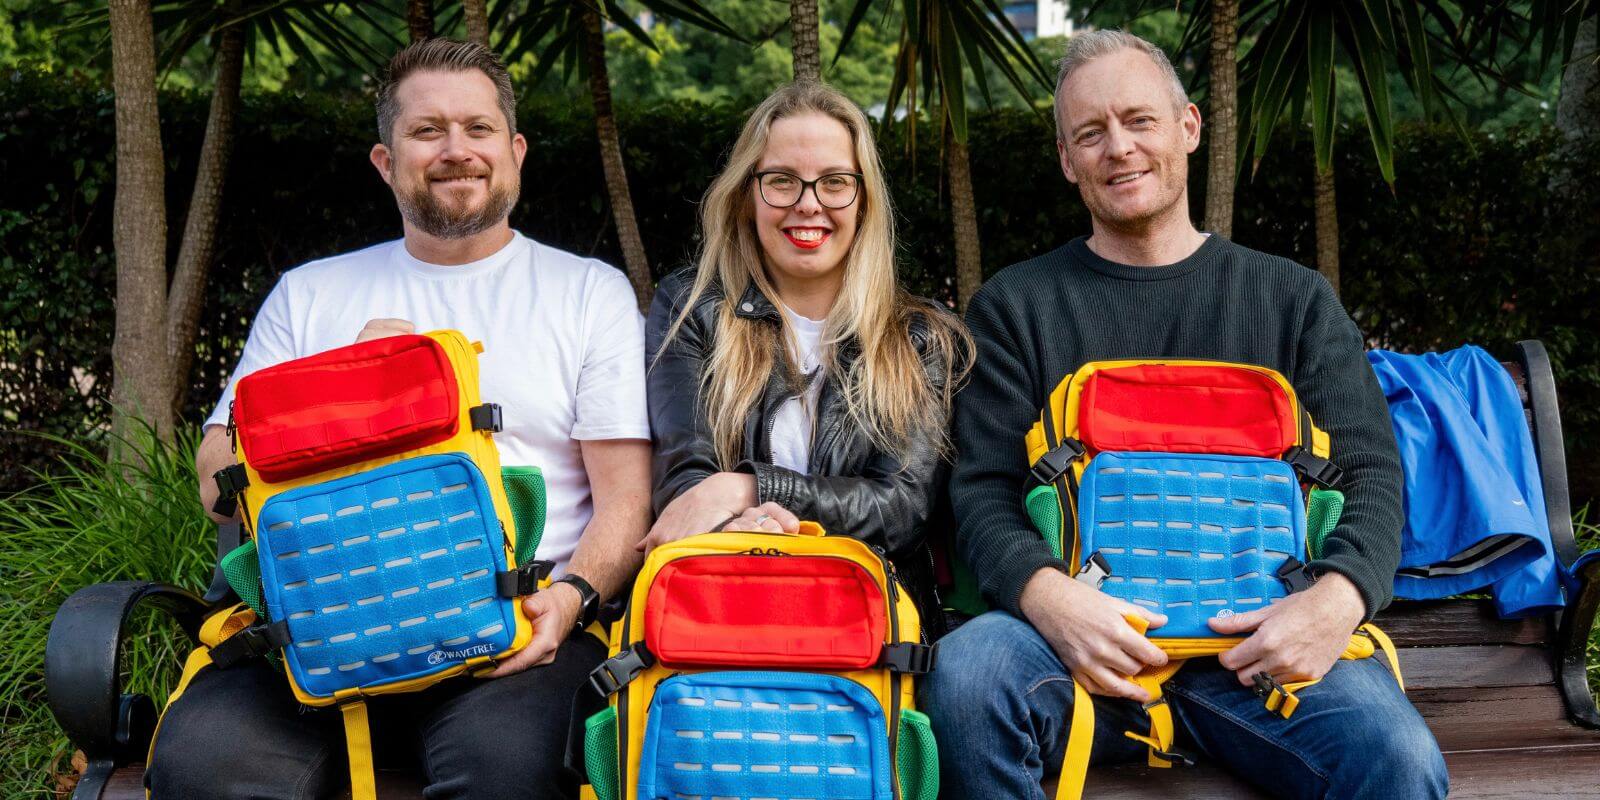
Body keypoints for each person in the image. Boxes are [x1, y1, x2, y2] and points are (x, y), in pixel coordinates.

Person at [919, 30, 1448, 799]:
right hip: (1078, 654)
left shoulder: (1292, 301)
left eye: (1140, 121)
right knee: (970, 677)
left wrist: (1336, 602)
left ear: (1189, 128)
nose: (1119, 149)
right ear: (1068, 160)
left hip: (1258, 659)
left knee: (1400, 760)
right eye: (1091, 134)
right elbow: (984, 489)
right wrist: (1049, 601)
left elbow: (1370, 473)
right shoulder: (1016, 306)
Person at [149, 38, 652, 800]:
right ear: (386, 161)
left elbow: (624, 498)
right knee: (204, 765)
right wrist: (335, 388)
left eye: (479, 129)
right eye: (428, 131)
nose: (458, 150)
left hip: (518, 635)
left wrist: (572, 599)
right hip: (322, 633)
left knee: (507, 774)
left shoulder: (588, 292)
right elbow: (218, 481)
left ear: (515, 151)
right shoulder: (311, 295)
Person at [641, 81, 970, 612]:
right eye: (782, 181)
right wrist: (739, 518)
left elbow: (902, 508)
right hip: (723, 604)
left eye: (835, 182)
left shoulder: (918, 337)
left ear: (863, 200)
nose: (808, 204)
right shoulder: (691, 309)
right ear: (748, 195)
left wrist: (746, 491)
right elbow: (685, 482)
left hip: (869, 627)